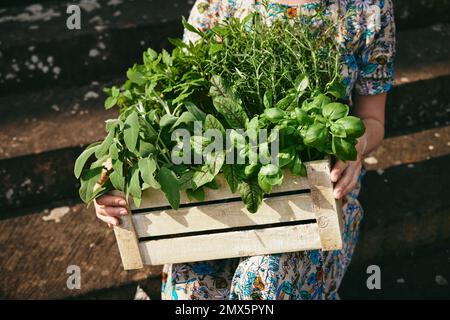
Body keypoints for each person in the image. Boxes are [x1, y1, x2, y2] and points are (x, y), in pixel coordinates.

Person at [94, 0, 395, 300]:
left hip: (317, 192)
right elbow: (172, 100)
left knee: (265, 279)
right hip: (221, 185)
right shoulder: (219, 4)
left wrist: (356, 146)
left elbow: (372, 120)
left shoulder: (368, 8)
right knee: (193, 289)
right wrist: (120, 169)